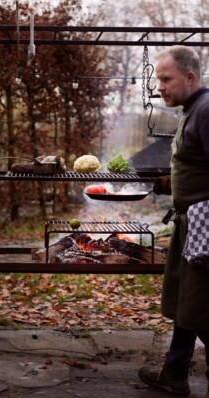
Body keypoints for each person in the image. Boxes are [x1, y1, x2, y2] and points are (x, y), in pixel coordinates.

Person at [138, 45, 209, 397]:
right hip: (191, 225)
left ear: (190, 77)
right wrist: (172, 184)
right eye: (158, 79)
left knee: (203, 307)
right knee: (189, 300)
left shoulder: (207, 111)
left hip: (205, 229)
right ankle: (175, 372)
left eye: (166, 79)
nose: (159, 86)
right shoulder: (192, 110)